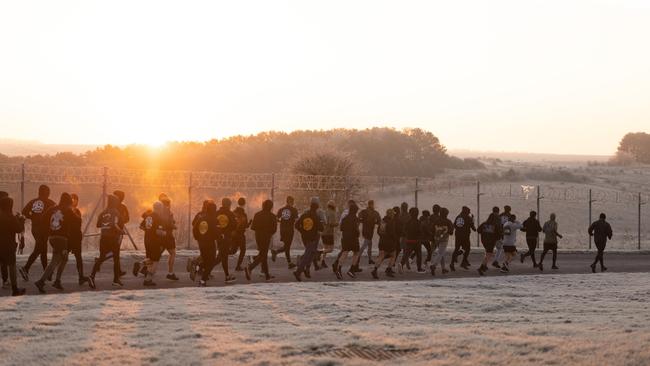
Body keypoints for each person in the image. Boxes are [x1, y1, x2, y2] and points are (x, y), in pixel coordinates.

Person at [35, 192, 78, 292]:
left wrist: (49, 229)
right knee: (55, 260)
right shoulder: (68, 210)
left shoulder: (52, 209)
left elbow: (43, 218)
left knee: (64, 258)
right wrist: (74, 211)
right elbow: (77, 220)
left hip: (52, 237)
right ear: (68, 201)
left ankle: (57, 281)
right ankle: (41, 281)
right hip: (62, 239)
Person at [20, 184, 56, 280]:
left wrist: (32, 216)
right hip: (44, 230)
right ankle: (26, 268)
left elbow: (23, 212)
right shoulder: (50, 202)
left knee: (42, 249)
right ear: (46, 192)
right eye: (48, 192)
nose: (49, 193)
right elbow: (57, 212)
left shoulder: (33, 202)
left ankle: (46, 272)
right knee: (40, 248)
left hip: (35, 229)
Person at [88, 194, 125, 289]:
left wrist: (105, 225)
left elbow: (98, 225)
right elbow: (116, 224)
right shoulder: (115, 212)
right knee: (116, 258)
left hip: (103, 238)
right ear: (115, 202)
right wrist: (120, 231)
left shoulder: (103, 212)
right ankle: (116, 279)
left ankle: (92, 276)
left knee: (102, 256)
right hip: (112, 238)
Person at [245, 199, 277, 282]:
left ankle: (267, 275)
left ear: (263, 205)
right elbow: (274, 229)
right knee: (263, 255)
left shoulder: (257, 214)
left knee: (263, 255)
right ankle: (250, 267)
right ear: (271, 207)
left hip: (258, 236)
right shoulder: (272, 216)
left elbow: (253, 227)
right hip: (267, 237)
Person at [0, 195, 26, 296]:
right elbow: (18, 229)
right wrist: (21, 220)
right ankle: (15, 289)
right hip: (8, 245)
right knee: (12, 266)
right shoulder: (10, 216)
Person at [293, 197, 324, 281]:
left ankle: (307, 270)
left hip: (304, 237)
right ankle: (298, 272)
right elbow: (321, 228)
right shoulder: (316, 216)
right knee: (308, 255)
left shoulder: (304, 215)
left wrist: (302, 231)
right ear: (317, 207)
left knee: (312, 253)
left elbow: (296, 225)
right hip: (312, 238)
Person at [137, 201, 166, 286]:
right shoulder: (158, 218)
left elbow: (141, 226)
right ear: (160, 209)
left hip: (147, 240)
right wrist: (164, 233)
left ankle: (141, 265)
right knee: (156, 261)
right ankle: (148, 278)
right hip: (155, 241)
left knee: (151, 259)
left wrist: (149, 231)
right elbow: (159, 232)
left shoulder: (148, 216)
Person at [192, 200, 218, 287]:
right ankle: (203, 280)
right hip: (210, 244)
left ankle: (197, 267)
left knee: (206, 261)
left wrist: (197, 237)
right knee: (211, 262)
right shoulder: (213, 219)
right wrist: (219, 237)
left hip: (201, 243)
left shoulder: (201, 218)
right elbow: (215, 232)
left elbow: (194, 228)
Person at [272, 196, 299, 269]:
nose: (293, 203)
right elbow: (297, 221)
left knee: (286, 246)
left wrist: (281, 221)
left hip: (283, 229)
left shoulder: (281, 209)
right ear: (291, 201)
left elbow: (276, 218)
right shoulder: (294, 210)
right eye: (293, 202)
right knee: (287, 246)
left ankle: (289, 263)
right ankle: (276, 252)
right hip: (290, 230)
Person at [335, 202, 361, 278]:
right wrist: (357, 234)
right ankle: (351, 270)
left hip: (345, 238)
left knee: (344, 253)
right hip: (353, 238)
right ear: (356, 211)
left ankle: (338, 269)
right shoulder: (356, 219)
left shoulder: (345, 218)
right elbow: (356, 230)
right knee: (356, 253)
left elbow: (341, 228)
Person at [371, 208, 398, 279]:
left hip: (382, 241)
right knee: (393, 255)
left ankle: (375, 270)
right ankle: (389, 270)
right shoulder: (391, 222)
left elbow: (378, 231)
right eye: (393, 214)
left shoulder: (382, 221)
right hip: (389, 242)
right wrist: (395, 239)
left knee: (381, 256)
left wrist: (382, 236)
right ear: (391, 214)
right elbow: (392, 233)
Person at [215, 198, 237, 283]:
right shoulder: (230, 214)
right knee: (223, 257)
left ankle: (227, 275)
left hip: (218, 237)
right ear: (229, 205)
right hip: (226, 237)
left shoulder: (216, 213)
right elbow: (234, 226)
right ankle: (201, 267)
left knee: (221, 257)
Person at [69, 194, 89, 285]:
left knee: (78, 258)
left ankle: (81, 277)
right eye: (73, 199)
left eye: (76, 200)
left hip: (75, 237)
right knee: (61, 258)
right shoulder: (69, 210)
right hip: (70, 237)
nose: (75, 202)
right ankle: (53, 277)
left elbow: (78, 224)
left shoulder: (77, 211)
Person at [158, 194, 179, 281]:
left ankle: (142, 266)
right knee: (173, 253)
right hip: (168, 236)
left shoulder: (158, 211)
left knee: (157, 254)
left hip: (161, 236)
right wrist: (174, 226)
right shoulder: (168, 211)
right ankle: (170, 273)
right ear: (167, 203)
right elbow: (168, 224)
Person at [429, 207, 454, 276]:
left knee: (441, 253)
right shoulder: (448, 221)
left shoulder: (436, 221)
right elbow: (451, 232)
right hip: (444, 239)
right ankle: (434, 265)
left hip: (436, 238)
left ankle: (443, 269)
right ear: (447, 214)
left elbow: (431, 229)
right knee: (441, 253)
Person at [450, 206, 476, 271]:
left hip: (458, 235)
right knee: (467, 249)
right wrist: (473, 220)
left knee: (456, 249)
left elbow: (454, 225)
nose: (469, 213)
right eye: (468, 212)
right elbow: (474, 229)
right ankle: (463, 262)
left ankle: (452, 263)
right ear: (466, 212)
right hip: (465, 236)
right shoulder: (468, 218)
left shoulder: (458, 217)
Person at [477, 212, 503, 276]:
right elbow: (499, 234)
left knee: (488, 253)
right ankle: (481, 267)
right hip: (491, 241)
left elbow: (478, 230)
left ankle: (484, 265)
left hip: (484, 241)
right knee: (489, 254)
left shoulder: (484, 223)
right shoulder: (495, 225)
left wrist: (484, 233)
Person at [358, 200, 381, 266]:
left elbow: (359, 218)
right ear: (372, 204)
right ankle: (357, 258)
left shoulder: (363, 211)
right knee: (365, 245)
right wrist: (375, 222)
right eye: (372, 204)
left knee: (370, 244)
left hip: (365, 230)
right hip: (369, 231)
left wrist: (362, 221)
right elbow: (379, 221)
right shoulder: (374, 212)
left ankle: (370, 259)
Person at [113, 190, 129, 277]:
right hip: (115, 232)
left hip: (118, 232)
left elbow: (127, 218)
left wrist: (120, 221)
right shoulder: (113, 206)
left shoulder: (122, 207)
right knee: (115, 251)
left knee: (116, 251)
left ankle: (118, 271)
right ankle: (99, 262)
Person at [232, 197, 250, 272]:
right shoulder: (243, 214)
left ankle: (221, 254)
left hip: (233, 234)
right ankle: (238, 266)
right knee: (243, 250)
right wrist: (249, 224)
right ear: (244, 204)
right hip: (240, 235)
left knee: (233, 250)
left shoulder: (233, 212)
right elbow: (245, 225)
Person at [320, 200, 338, 269]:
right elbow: (331, 224)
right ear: (333, 206)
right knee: (331, 249)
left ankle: (322, 261)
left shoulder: (324, 212)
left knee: (325, 248)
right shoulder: (332, 213)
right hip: (329, 233)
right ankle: (318, 253)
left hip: (323, 232)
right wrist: (337, 224)